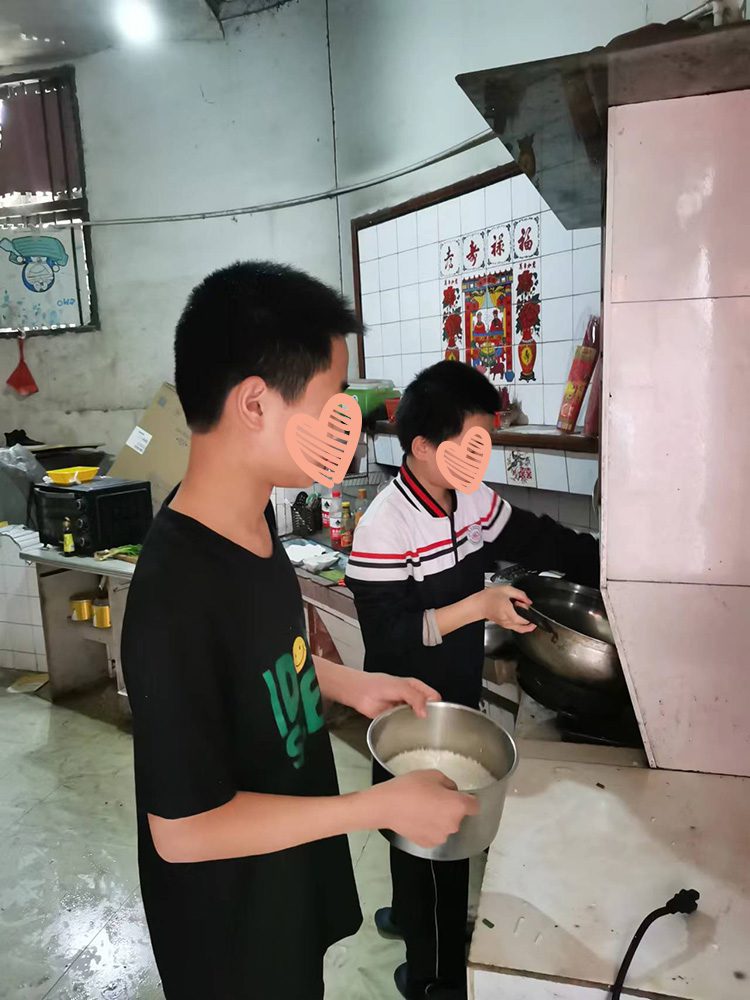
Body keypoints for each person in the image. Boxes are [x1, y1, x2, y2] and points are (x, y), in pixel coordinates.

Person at [121, 264, 479, 1000]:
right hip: (228, 934)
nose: (346, 425)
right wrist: (376, 806)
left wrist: (351, 682)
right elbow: (182, 831)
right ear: (255, 403)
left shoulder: (254, 526)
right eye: (332, 403)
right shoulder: (174, 597)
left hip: (283, 882)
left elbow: (269, 661)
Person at [346, 360, 599, 1000]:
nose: (478, 459)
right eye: (467, 445)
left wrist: (612, 561)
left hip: (452, 697)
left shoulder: (472, 500)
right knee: (439, 840)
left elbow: (540, 539)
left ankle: (408, 921)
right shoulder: (384, 526)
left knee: (419, 839)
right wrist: (479, 607)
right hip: (407, 709)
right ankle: (434, 980)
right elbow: (392, 639)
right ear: (423, 447)